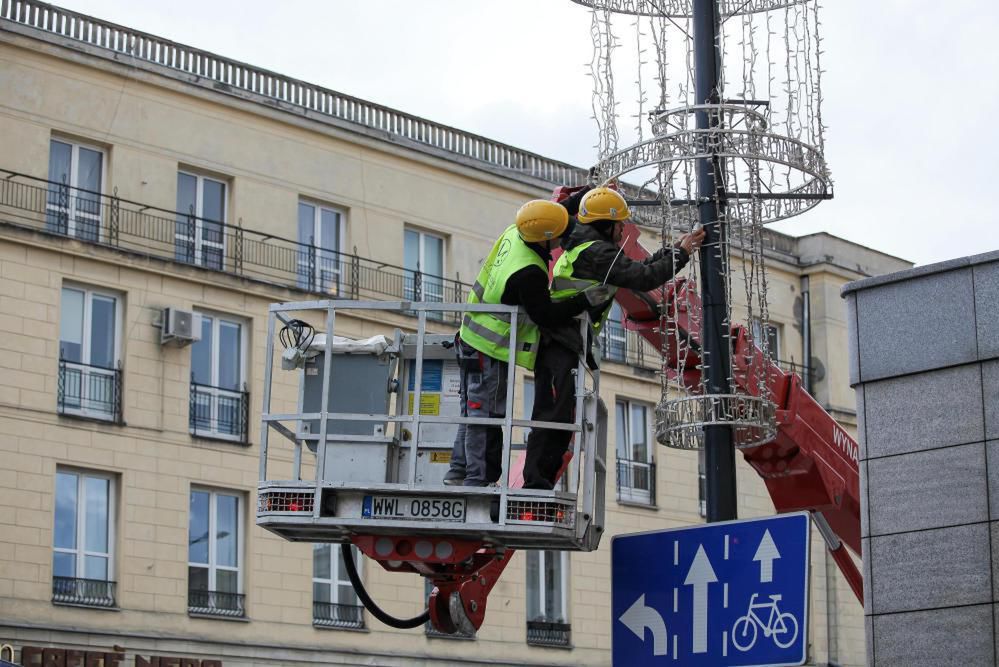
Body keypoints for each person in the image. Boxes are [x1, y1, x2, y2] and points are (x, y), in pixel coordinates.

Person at [522, 186, 706, 489]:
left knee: (558, 413)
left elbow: (634, 269)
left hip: (563, 339)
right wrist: (682, 254)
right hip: (562, 340)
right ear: (606, 224)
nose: (623, 229)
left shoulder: (587, 244)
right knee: (553, 414)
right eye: (619, 224)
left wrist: (675, 250)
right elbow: (644, 278)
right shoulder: (597, 252)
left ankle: (539, 482)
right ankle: (536, 485)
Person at [443, 195, 607, 487]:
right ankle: (476, 480)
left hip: (470, 337)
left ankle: (459, 471)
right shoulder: (529, 271)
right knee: (487, 414)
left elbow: (548, 215)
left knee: (473, 409)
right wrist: (581, 301)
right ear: (546, 238)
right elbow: (545, 314)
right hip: (488, 348)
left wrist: (588, 194)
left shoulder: (517, 230)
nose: (564, 236)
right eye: (559, 234)